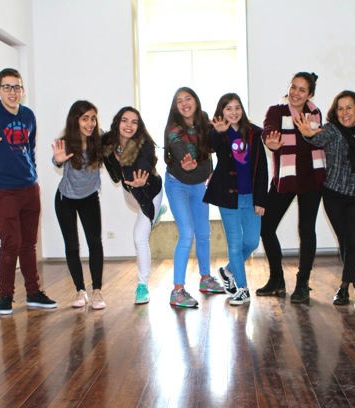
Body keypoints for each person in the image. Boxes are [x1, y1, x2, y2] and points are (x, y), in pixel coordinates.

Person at [0, 68, 58, 314]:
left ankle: (33, 293)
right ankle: (6, 296)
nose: (12, 92)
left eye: (17, 87)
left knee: (28, 244)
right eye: (7, 87)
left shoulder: (28, 115)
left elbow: (30, 149)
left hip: (29, 186)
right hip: (2, 189)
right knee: (11, 242)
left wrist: (33, 176)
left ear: (22, 90)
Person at [296, 90, 355, 305]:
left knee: (352, 241)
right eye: (340, 108)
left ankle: (344, 287)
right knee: (345, 241)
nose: (345, 112)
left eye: (349, 107)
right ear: (336, 112)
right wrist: (308, 134)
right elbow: (317, 139)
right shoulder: (331, 130)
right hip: (334, 195)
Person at [258, 72, 326, 303]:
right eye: (293, 87)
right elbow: (269, 130)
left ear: (310, 94)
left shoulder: (315, 114)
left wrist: (311, 134)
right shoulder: (276, 111)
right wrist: (270, 141)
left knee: (306, 230)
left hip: (311, 180)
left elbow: (319, 140)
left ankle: (302, 283)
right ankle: (277, 279)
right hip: (285, 178)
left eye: (302, 89)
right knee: (266, 227)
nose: (296, 93)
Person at [204, 93, 268, 306]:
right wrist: (217, 131)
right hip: (228, 196)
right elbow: (210, 146)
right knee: (235, 242)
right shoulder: (219, 133)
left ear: (242, 109)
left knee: (252, 241)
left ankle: (228, 270)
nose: (233, 112)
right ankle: (242, 289)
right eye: (228, 108)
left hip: (251, 197)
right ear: (221, 112)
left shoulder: (254, 133)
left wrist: (261, 200)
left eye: (237, 107)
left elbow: (262, 168)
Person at [163, 87, 225, 308]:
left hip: (198, 184)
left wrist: (211, 171)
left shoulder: (204, 121)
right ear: (175, 107)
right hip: (177, 184)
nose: (184, 103)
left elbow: (211, 147)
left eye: (187, 98)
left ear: (196, 101)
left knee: (203, 232)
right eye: (179, 101)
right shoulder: (174, 128)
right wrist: (185, 161)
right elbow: (177, 146)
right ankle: (177, 291)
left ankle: (206, 279)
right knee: (187, 233)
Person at [102, 106, 165, 305]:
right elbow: (114, 175)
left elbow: (146, 161)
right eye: (125, 120)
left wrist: (141, 177)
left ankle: (142, 286)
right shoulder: (109, 143)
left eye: (134, 122)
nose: (129, 125)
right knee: (141, 215)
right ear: (117, 122)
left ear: (139, 126)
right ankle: (157, 214)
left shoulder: (144, 144)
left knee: (139, 238)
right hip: (129, 193)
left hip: (149, 192)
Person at [51, 100, 105, 310]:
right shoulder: (66, 143)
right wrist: (58, 160)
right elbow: (56, 161)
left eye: (93, 119)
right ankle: (80, 290)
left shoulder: (99, 140)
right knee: (72, 246)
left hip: (89, 197)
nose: (90, 123)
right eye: (85, 119)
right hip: (65, 199)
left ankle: (97, 291)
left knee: (95, 243)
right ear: (76, 120)